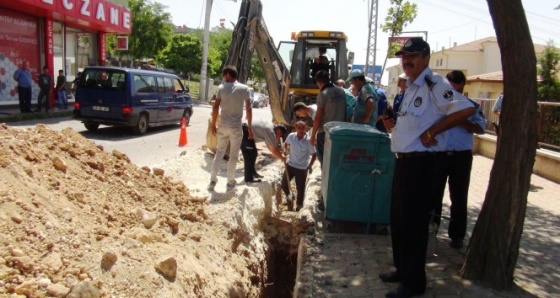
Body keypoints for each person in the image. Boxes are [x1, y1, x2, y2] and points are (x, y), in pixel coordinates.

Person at [379, 37, 475, 298]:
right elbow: (411, 125)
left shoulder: (435, 84)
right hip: (404, 163)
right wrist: (393, 126)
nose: (406, 60)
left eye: (412, 55)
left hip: (422, 166)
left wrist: (434, 130)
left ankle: (414, 284)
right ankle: (402, 270)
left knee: (413, 225)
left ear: (426, 58)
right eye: (403, 56)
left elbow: (466, 108)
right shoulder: (410, 87)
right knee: (398, 221)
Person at [431, 70, 487, 250]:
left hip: (460, 157)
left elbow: (480, 128)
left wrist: (460, 119)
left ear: (463, 86)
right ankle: (431, 230)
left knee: (459, 197)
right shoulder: (437, 105)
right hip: (438, 155)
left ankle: (457, 236)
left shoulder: (471, 106)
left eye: (456, 87)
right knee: (433, 195)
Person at [208, 65, 253, 192]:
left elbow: (215, 107)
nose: (224, 78)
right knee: (233, 155)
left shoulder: (221, 88)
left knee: (220, 152)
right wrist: (249, 127)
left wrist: (213, 125)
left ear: (228, 74)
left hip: (223, 125)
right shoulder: (245, 89)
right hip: (236, 127)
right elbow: (249, 109)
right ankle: (230, 182)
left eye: (224, 75)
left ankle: (212, 180)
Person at [309, 70, 346, 168]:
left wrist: (313, 136)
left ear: (319, 82)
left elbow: (318, 117)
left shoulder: (323, 94)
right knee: (336, 161)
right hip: (340, 132)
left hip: (325, 133)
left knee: (324, 162)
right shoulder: (341, 91)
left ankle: (326, 182)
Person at [281, 120, 317, 211]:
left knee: (300, 188)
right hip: (291, 165)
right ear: (295, 128)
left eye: (302, 128)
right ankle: (290, 196)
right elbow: (285, 143)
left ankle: (299, 205)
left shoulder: (308, 141)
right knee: (284, 184)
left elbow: (314, 154)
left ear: (305, 128)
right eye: (299, 128)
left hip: (301, 168)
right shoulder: (291, 136)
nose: (301, 130)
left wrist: (310, 165)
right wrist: (285, 150)